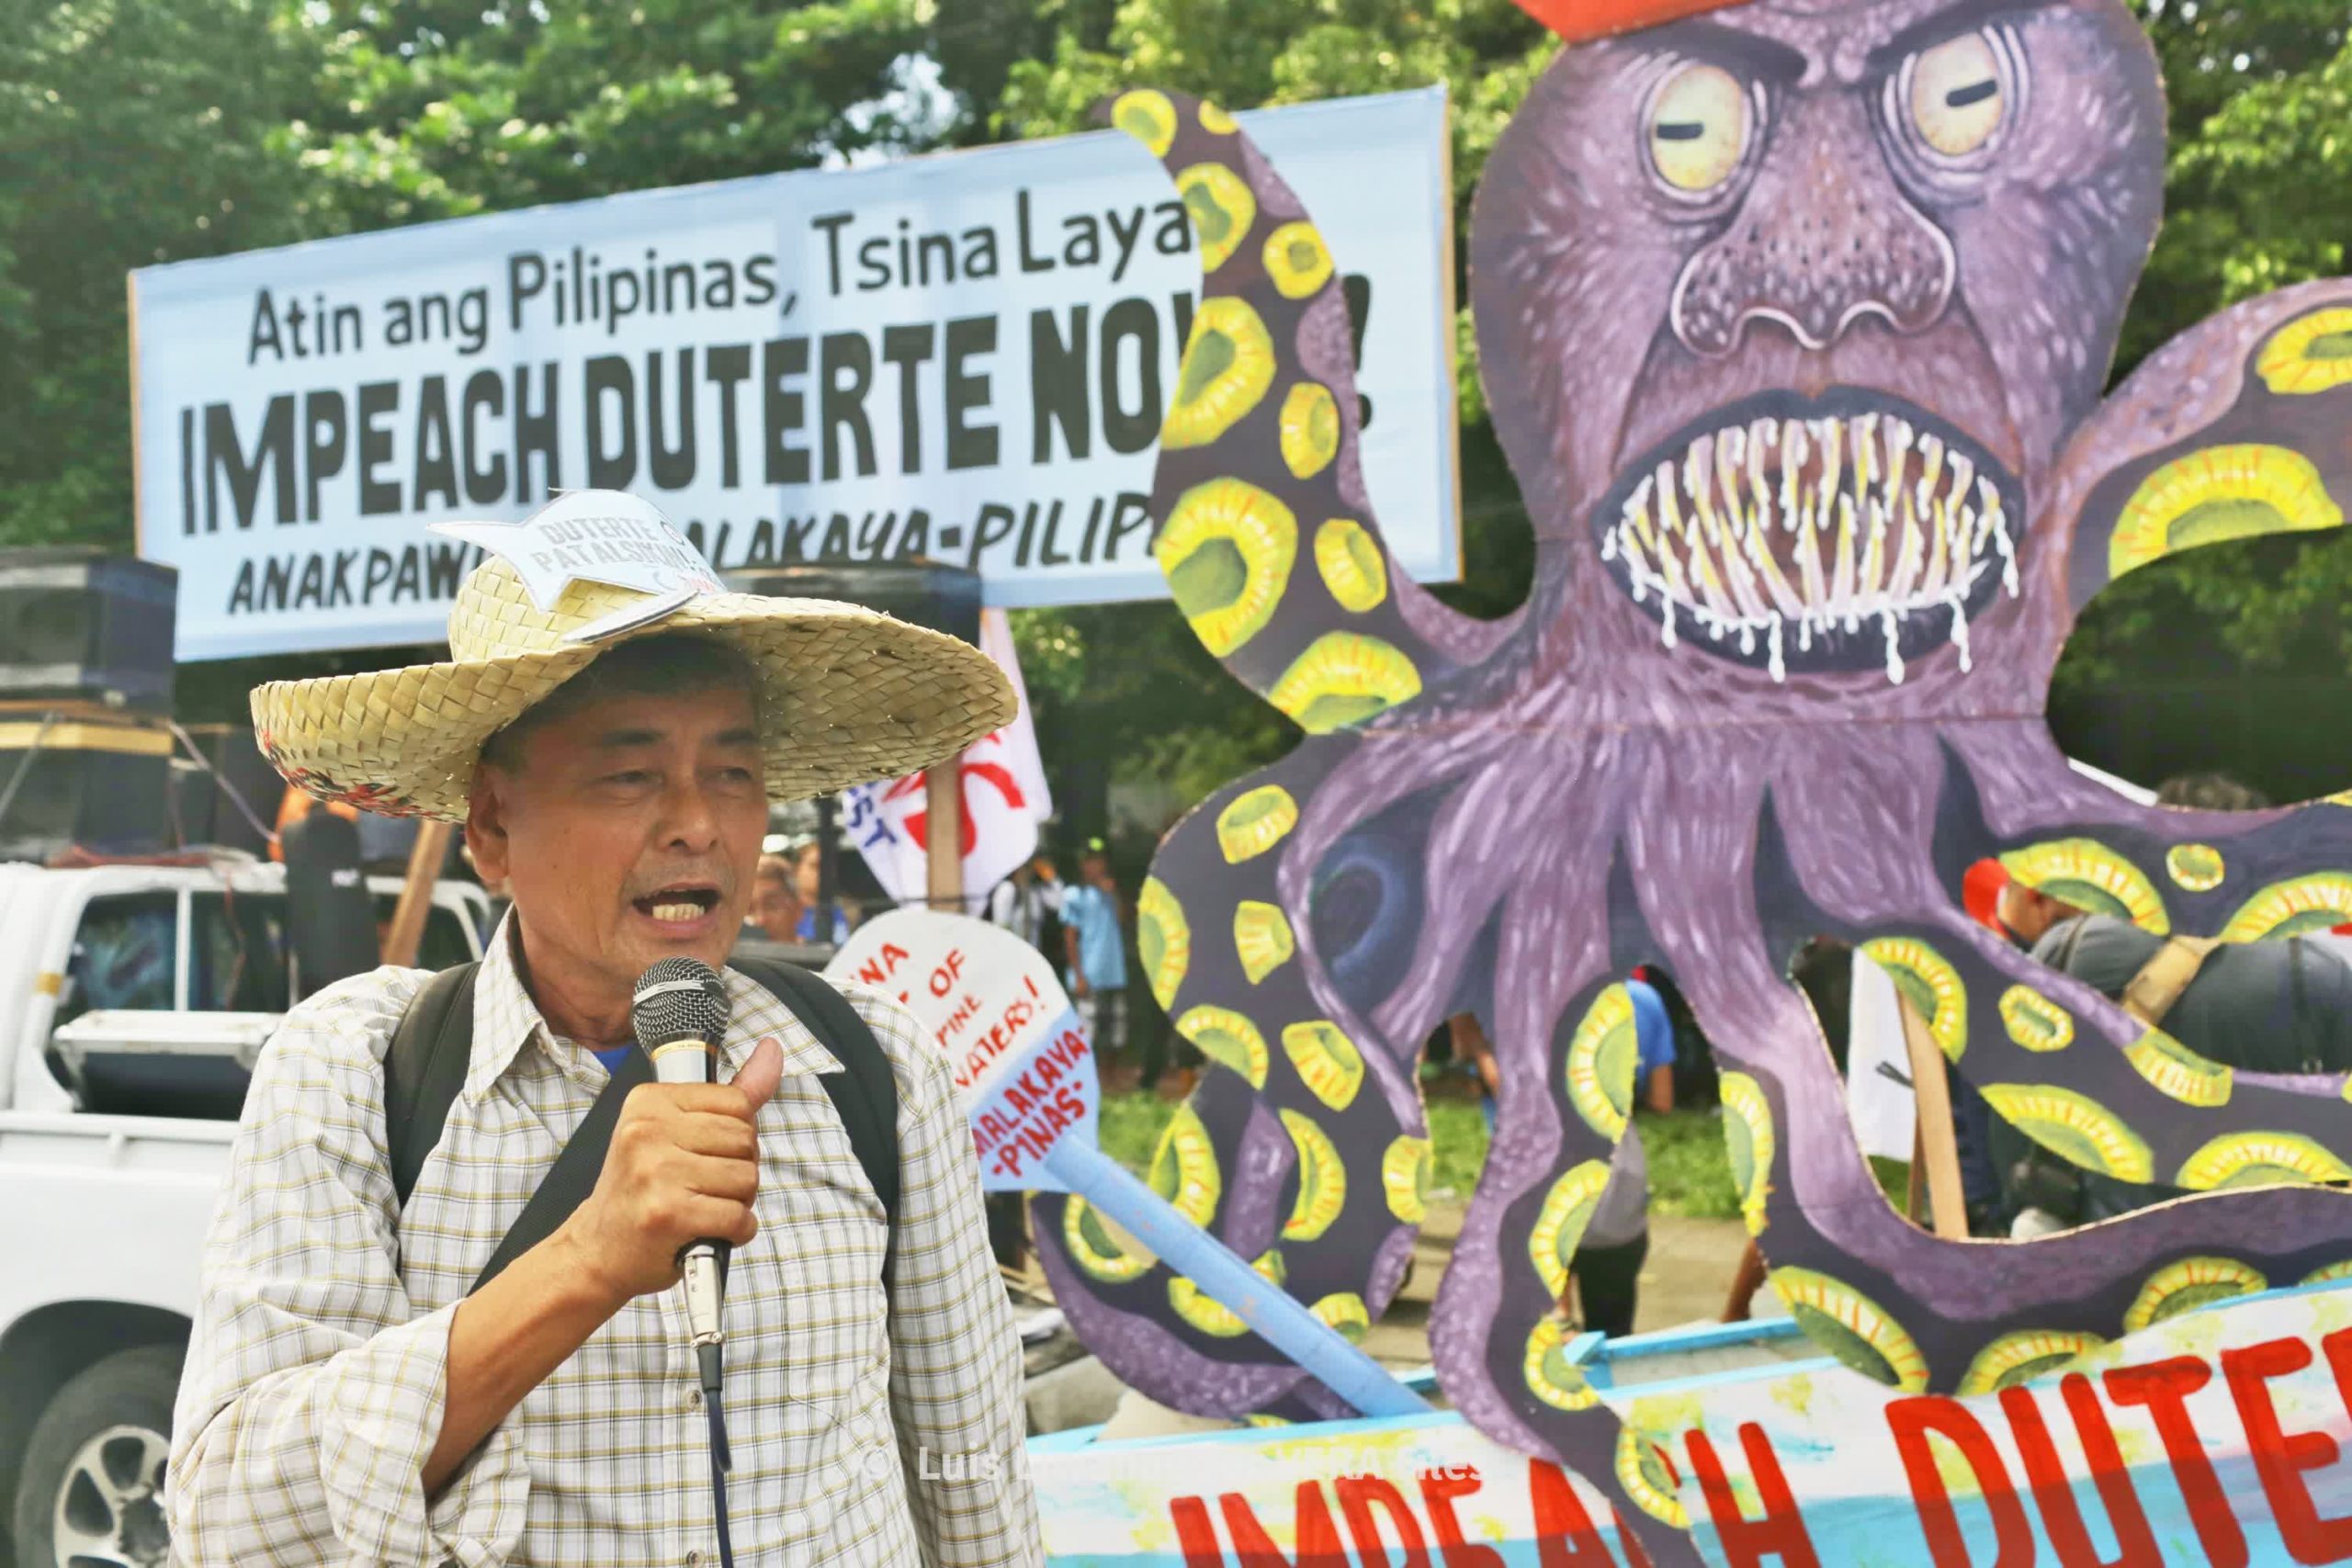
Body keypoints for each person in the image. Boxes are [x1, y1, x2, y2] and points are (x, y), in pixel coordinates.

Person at [167, 495, 1039, 1567]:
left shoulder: (872, 1066)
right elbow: (231, 1518)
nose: (699, 824)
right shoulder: (355, 1073)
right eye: (630, 774)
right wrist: (586, 1259)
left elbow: (970, 1460)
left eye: (731, 771)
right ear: (492, 828)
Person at [1059, 837, 1128, 1068]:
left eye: (1098, 861)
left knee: (1115, 1030)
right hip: (1088, 974)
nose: (1094, 867)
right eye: (1089, 862)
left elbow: (1123, 919)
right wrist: (1078, 975)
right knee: (1087, 1032)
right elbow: (1069, 938)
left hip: (1113, 973)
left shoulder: (1109, 892)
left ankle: (1111, 1077)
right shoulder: (1073, 895)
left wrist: (1114, 893)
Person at [746, 850, 805, 942]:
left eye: (772, 906)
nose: (760, 920)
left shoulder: (825, 956)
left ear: (798, 909)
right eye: (747, 910)